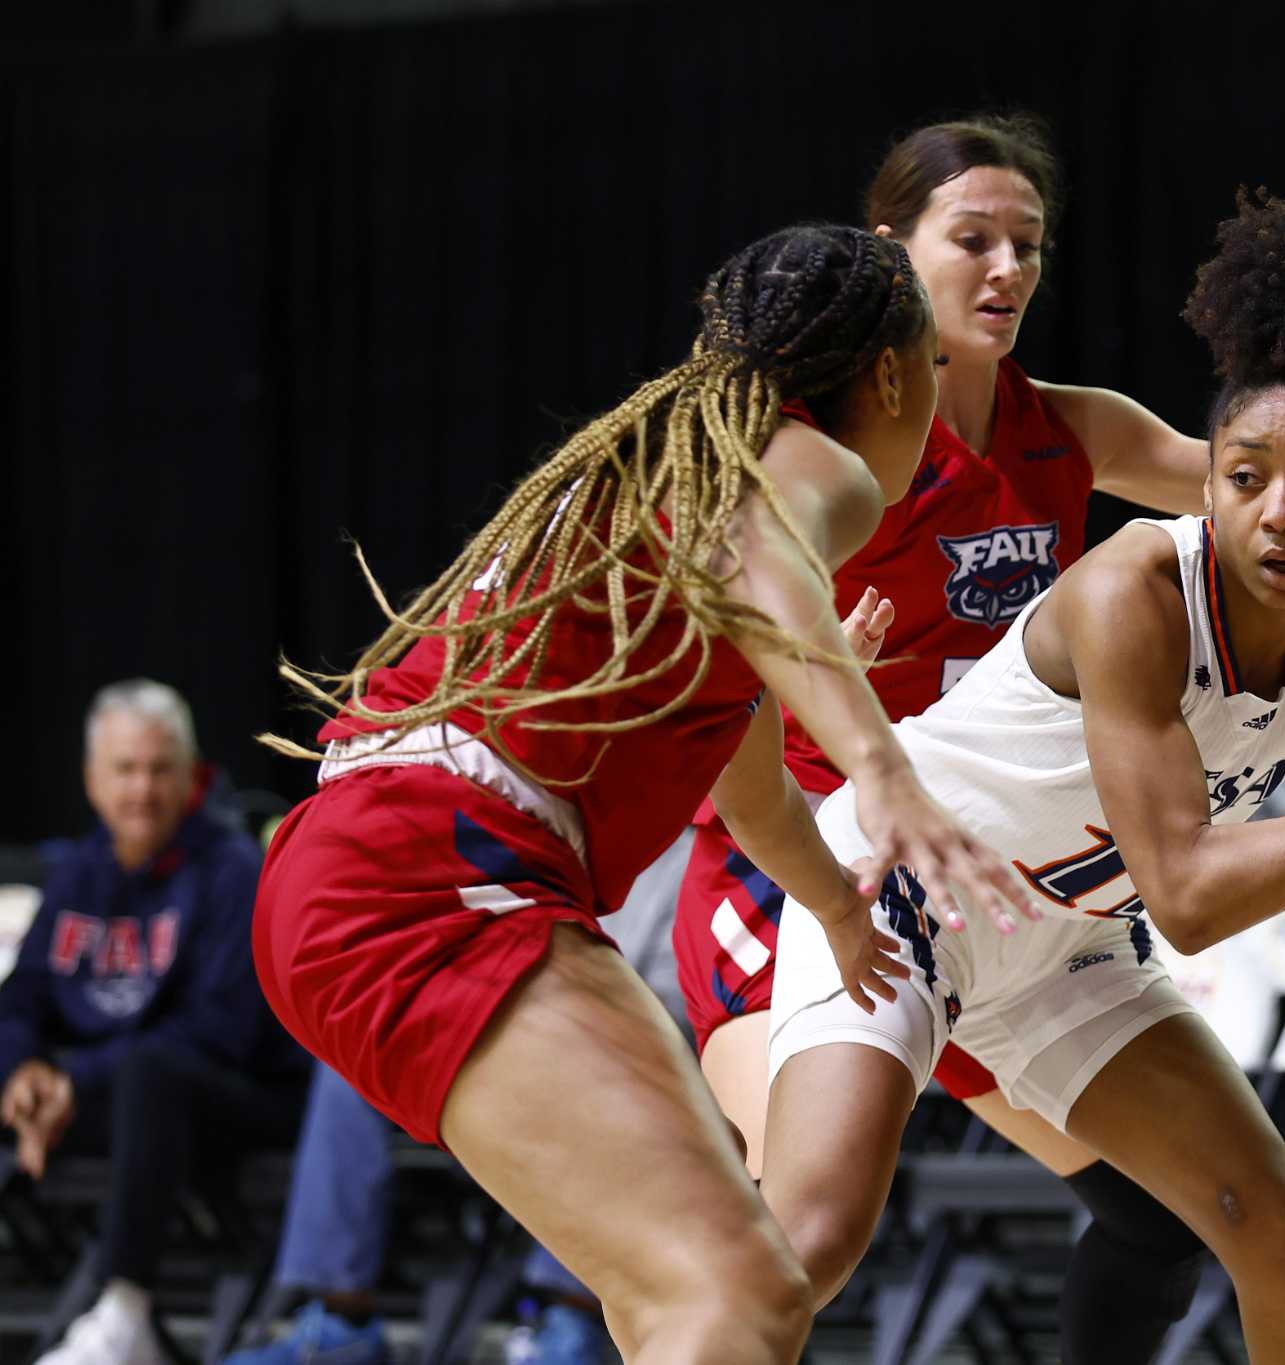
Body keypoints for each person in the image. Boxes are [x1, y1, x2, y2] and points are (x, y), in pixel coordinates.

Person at [673, 113, 1285, 1361]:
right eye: (971, 239)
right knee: (798, 1238)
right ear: (888, 254)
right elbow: (1192, 889)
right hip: (839, 870)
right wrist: (803, 678)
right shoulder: (848, 465)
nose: (1005, 270)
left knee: (1219, 1219)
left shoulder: (1077, 436)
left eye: (1026, 245)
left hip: (1058, 925)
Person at [250, 224, 1033, 1365]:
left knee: (705, 1288)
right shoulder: (811, 465)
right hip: (431, 875)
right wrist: (878, 762)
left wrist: (836, 910)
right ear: (890, 374)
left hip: (371, 862)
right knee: (735, 1292)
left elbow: (748, 784)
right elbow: (760, 547)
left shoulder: (668, 470)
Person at [222, 847, 693, 1365]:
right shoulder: (534, 821)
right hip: (495, 1036)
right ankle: (342, 1319)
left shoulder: (688, 852)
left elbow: (671, 1013)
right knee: (351, 1053)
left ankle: (568, 1319)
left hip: (597, 1061)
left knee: (629, 1063)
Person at [0, 680, 307, 1365]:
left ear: (191, 773)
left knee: (150, 1071)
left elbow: (223, 1027)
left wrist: (76, 1078)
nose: (142, 789)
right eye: (126, 769)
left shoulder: (232, 868)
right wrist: (24, 1073)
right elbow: (21, 997)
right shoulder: (78, 871)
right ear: (91, 780)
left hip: (239, 1094)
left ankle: (125, 1310)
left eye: (160, 769)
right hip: (109, 1095)